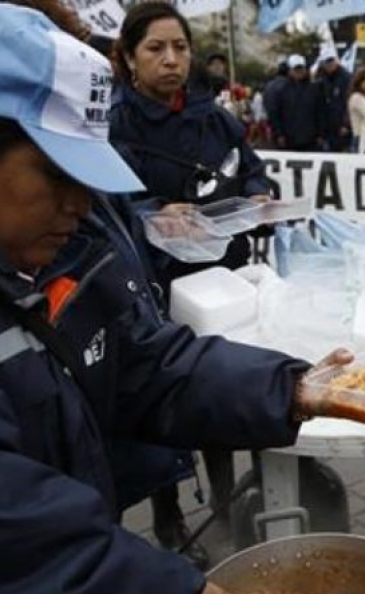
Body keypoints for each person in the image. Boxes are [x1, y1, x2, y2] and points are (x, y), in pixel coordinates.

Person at [0, 6, 350, 594]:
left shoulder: (46, 249)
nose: (80, 205)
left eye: (90, 180)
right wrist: (160, 593)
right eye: (58, 176)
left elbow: (143, 362)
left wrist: (291, 387)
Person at [106, 1, 277, 564]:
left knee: (225, 386)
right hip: (153, 288)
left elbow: (249, 166)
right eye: (155, 48)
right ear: (129, 58)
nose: (171, 59)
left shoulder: (215, 116)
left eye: (179, 47)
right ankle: (168, 513)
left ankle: (232, 508)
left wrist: (257, 192)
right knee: (165, 397)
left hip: (221, 281)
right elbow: (101, 203)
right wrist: (154, 211)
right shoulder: (111, 124)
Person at [270, 54, 326, 152]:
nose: (299, 72)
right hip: (289, 140)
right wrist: (279, 134)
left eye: (301, 68)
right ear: (290, 71)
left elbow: (321, 112)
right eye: (296, 69)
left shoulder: (315, 89)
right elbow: (276, 114)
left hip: (311, 140)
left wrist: (321, 134)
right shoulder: (282, 90)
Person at [317, 51, 353, 152]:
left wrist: (346, 124)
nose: (330, 64)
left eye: (331, 60)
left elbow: (349, 102)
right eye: (327, 62)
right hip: (327, 127)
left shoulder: (346, 78)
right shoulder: (320, 79)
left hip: (342, 126)